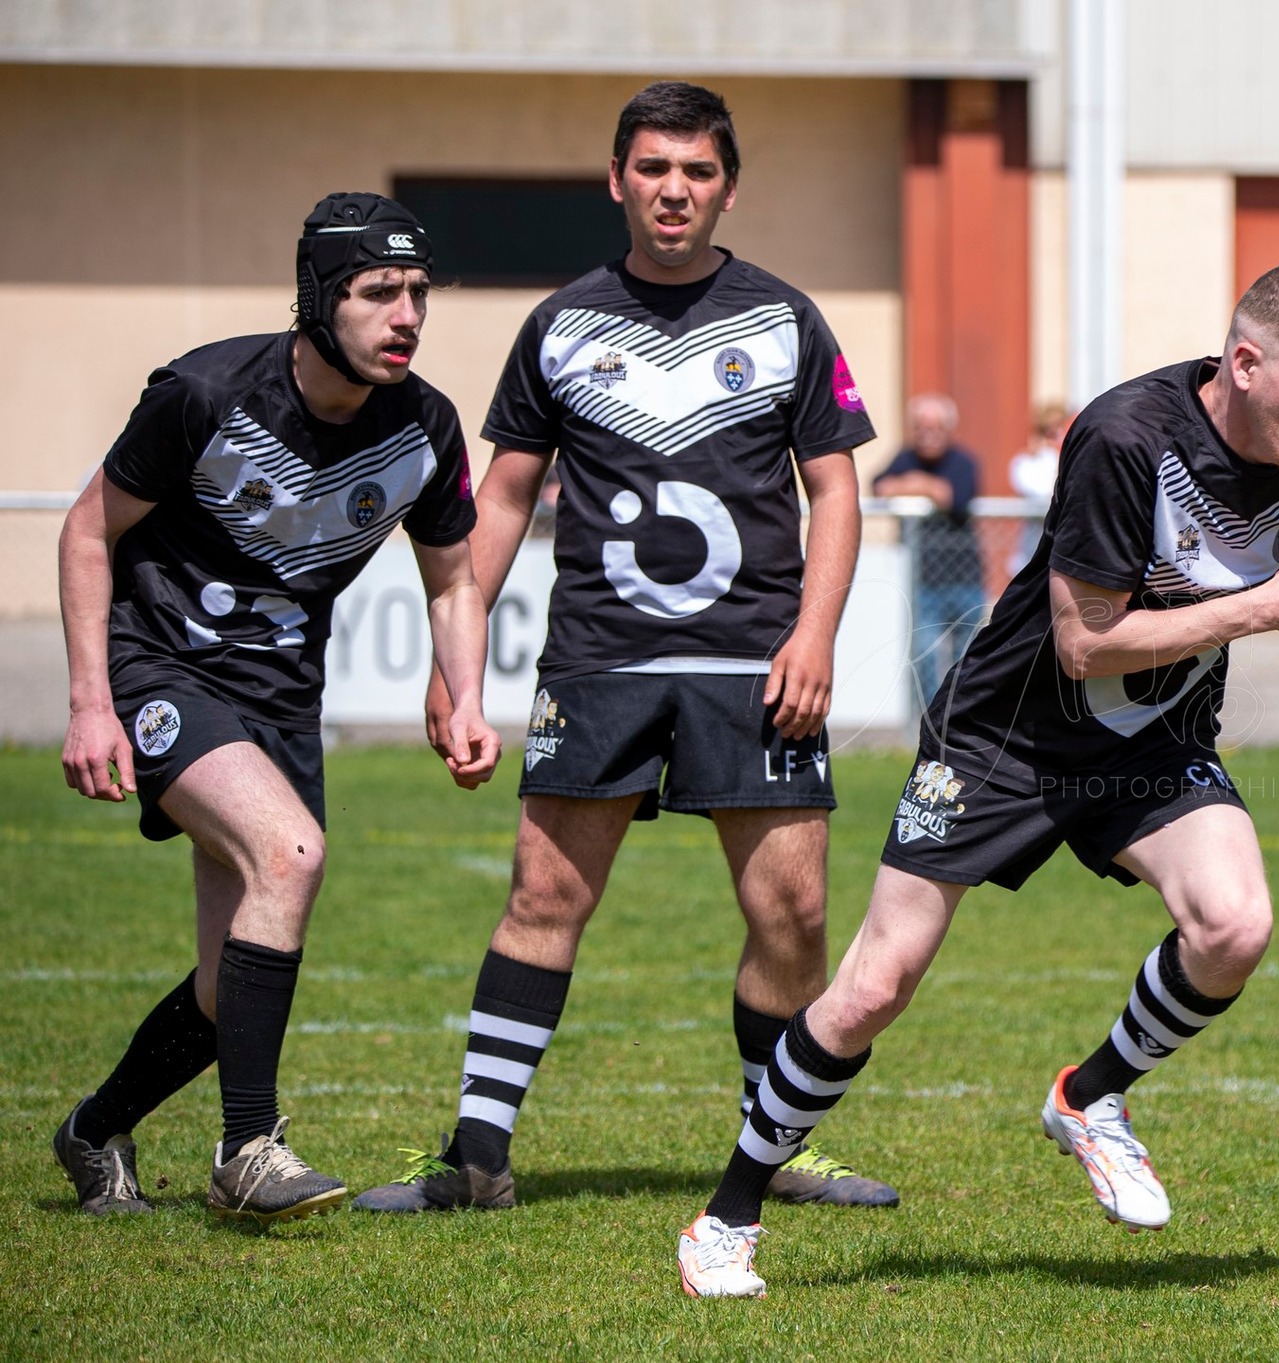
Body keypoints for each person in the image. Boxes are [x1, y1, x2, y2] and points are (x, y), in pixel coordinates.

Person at [674, 261, 1279, 1297]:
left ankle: (1089, 1096)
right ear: (1244, 363)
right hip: (1003, 738)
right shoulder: (1126, 437)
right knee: (875, 984)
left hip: (1151, 737)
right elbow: (1084, 643)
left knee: (1234, 925)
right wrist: (1267, 609)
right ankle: (727, 1213)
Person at [353, 81, 899, 1214]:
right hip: (598, 659)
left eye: (698, 171)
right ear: (617, 181)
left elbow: (837, 491)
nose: (674, 190)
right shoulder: (560, 323)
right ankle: (476, 1156)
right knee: (543, 896)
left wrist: (814, 635)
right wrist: (456, 663)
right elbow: (503, 497)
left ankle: (777, 1147)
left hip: (754, 662)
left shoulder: (786, 318)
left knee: (793, 914)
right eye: (653, 167)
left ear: (728, 188)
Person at [52, 193, 499, 1222]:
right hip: (162, 668)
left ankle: (94, 1128)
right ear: (317, 298)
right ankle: (247, 1150)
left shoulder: (424, 426)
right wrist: (89, 702)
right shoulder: (205, 394)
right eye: (378, 292)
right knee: (289, 855)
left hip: (285, 701)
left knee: (231, 986)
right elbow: (86, 531)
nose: (406, 315)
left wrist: (467, 694)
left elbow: (453, 582)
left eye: (418, 292)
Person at [873, 394, 985, 708]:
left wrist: (913, 483)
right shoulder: (904, 458)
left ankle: (961, 715)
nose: (928, 435)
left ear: (949, 429)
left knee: (968, 657)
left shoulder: (964, 462)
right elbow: (880, 487)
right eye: (921, 428)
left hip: (965, 579)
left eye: (935, 428)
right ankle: (930, 717)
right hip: (923, 581)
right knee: (924, 655)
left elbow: (954, 497)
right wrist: (928, 487)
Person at [1006, 400, 1071, 573]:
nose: (1055, 436)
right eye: (1048, 431)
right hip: (1032, 550)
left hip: (1066, 550)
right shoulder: (1026, 462)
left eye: (1060, 428)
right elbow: (1041, 492)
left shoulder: (1071, 458)